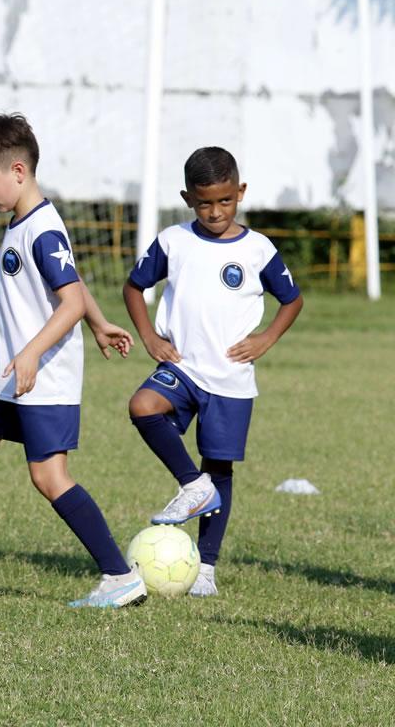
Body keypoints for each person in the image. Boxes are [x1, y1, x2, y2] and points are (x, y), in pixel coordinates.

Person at [0, 112, 146, 609]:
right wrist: (100, 324)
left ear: (17, 171)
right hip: (6, 377)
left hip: (43, 376)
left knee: (49, 477)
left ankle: (120, 575)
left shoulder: (43, 231)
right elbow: (75, 294)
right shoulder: (23, 223)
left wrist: (34, 351)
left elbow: (68, 301)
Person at [124, 146, 303, 597]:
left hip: (230, 379)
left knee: (219, 465)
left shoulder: (259, 249)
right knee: (143, 406)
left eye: (225, 201)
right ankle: (192, 484)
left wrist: (265, 339)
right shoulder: (173, 241)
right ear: (188, 198)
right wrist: (149, 336)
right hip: (183, 367)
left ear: (240, 192)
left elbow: (292, 299)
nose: (216, 211)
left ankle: (205, 567)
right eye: (205, 203)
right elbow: (134, 287)